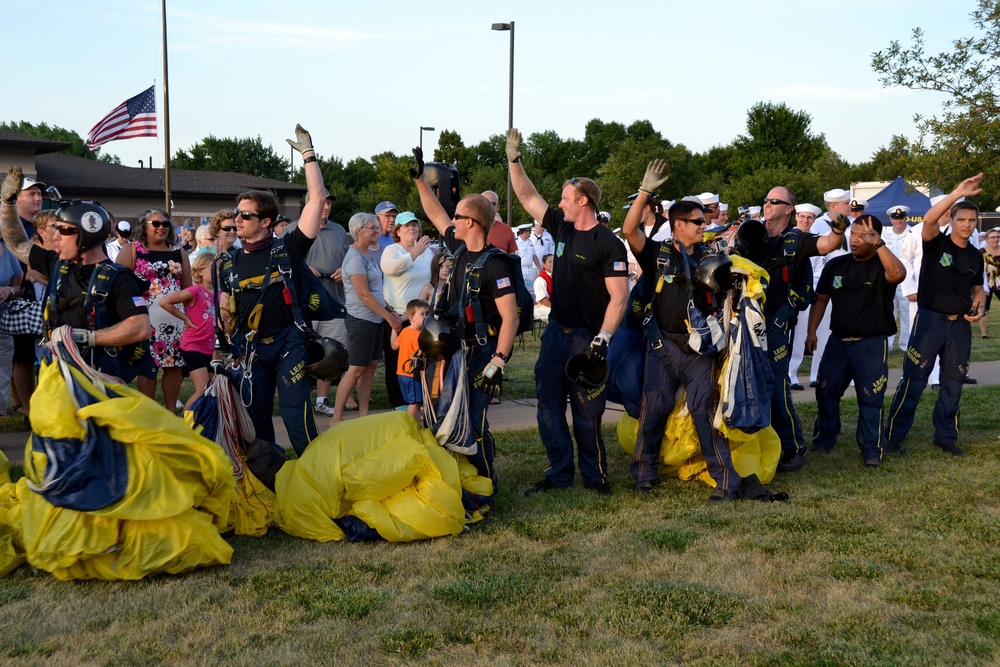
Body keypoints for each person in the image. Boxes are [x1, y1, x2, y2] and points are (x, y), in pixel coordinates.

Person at [505, 128, 629, 496]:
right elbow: (527, 195)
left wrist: (603, 339)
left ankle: (594, 478)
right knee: (548, 407)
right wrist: (514, 160)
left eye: (565, 198)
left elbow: (619, 298)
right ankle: (559, 474)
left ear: (584, 201)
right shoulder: (562, 227)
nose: (558, 204)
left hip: (587, 339)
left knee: (587, 413)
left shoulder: (608, 243)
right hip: (556, 333)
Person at [624, 161, 742, 500]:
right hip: (664, 346)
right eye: (697, 222)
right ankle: (644, 473)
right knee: (654, 410)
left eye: (704, 221)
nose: (703, 225)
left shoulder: (712, 256)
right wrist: (645, 192)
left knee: (705, 413)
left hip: (700, 350)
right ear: (677, 225)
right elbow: (630, 230)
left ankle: (725, 482)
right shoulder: (658, 255)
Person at [411, 146, 519, 491]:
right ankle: (456, 482)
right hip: (449, 351)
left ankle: (486, 483)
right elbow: (434, 211)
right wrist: (418, 180)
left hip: (481, 355)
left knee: (473, 422)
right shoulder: (458, 249)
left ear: (471, 222)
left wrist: (498, 363)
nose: (451, 220)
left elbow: (510, 318)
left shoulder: (496, 264)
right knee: (443, 417)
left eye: (457, 217)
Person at [216, 124, 328, 456]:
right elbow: (225, 307)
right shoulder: (228, 262)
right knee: (255, 420)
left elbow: (317, 200)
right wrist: (221, 344)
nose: (238, 219)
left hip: (288, 344)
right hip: (249, 348)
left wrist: (308, 156)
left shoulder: (288, 248)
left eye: (246, 215)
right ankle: (269, 482)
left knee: (296, 417)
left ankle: (316, 479)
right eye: (237, 213)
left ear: (266, 221)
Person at [0, 167, 151, 379]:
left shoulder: (119, 278)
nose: (56, 238)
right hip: (59, 373)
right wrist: (7, 205)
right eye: (55, 229)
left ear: (87, 234)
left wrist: (87, 337)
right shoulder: (57, 264)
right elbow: (16, 242)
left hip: (100, 381)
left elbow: (140, 328)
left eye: (64, 230)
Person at [743, 186, 845, 472]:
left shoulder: (796, 240)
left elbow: (828, 245)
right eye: (765, 200)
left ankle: (793, 446)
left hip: (775, 324)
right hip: (743, 323)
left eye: (775, 201)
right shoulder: (749, 232)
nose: (767, 204)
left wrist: (838, 228)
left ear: (789, 209)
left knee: (776, 385)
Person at [885, 174, 986, 457]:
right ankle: (894, 436)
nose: (967, 225)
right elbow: (929, 220)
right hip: (930, 321)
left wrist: (979, 307)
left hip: (959, 327)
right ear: (951, 220)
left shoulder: (976, 255)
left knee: (953, 382)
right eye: (962, 219)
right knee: (914, 381)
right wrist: (957, 192)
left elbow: (978, 289)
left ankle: (946, 437)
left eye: (971, 221)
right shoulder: (934, 242)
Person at [807, 215, 906, 467]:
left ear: (876, 239)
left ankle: (872, 449)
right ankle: (825, 438)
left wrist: (879, 246)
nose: (855, 239)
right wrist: (811, 332)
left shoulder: (883, 265)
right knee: (826, 391)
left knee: (871, 397)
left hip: (870, 345)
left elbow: (897, 275)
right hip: (837, 343)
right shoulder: (836, 265)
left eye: (863, 236)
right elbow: (821, 299)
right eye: (853, 233)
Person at [283, 191, 355, 415]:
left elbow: (348, 258)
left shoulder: (338, 231)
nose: (326, 207)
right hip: (302, 305)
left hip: (332, 301)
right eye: (322, 203)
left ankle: (322, 400)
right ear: (309, 204)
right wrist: (304, 270)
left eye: (329, 203)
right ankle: (299, 400)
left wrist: (345, 270)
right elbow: (282, 262)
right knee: (300, 353)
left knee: (329, 352)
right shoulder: (292, 229)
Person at [116, 208, 192, 412]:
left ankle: (170, 412)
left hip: (175, 320)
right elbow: (118, 285)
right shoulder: (132, 250)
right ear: (144, 226)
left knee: (174, 366)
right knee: (147, 366)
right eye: (156, 224)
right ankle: (146, 413)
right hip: (144, 319)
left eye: (165, 224)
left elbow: (188, 289)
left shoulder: (179, 252)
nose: (161, 228)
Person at [329, 212, 402, 423]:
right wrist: (389, 317)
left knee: (370, 367)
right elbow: (364, 295)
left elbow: (377, 291)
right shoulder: (353, 258)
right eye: (372, 227)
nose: (377, 230)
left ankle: (363, 415)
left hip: (376, 319)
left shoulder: (369, 255)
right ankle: (337, 417)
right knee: (356, 368)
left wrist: (389, 309)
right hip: (361, 320)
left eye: (377, 227)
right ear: (358, 231)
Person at [380, 210, 434, 410]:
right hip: (398, 315)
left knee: (421, 358)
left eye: (415, 225)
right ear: (398, 231)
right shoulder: (392, 250)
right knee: (398, 361)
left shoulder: (427, 251)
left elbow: (431, 278)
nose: (412, 228)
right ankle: (399, 404)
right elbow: (390, 269)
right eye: (406, 226)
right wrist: (414, 253)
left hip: (421, 318)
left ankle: (419, 400)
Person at [158, 251, 217, 410]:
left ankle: (204, 423)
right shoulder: (196, 290)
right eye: (212, 268)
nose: (217, 272)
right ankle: (185, 423)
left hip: (210, 348)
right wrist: (184, 318)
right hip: (194, 345)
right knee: (202, 389)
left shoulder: (219, 294)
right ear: (199, 271)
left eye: (219, 268)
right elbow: (165, 302)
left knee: (213, 389)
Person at [788, 203, 823, 389]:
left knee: (800, 334)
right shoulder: (786, 236)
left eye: (809, 218)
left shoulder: (816, 241)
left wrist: (809, 291)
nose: (805, 221)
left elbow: (818, 270)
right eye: (802, 217)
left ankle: (792, 374)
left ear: (814, 220)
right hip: (784, 294)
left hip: (804, 295)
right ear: (796, 217)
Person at [390, 299, 429, 421]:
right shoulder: (419, 336)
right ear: (411, 317)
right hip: (412, 374)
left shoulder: (404, 332)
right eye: (422, 314)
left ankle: (414, 422)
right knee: (415, 403)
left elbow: (394, 346)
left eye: (427, 314)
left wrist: (394, 330)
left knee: (412, 401)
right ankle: (410, 426)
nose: (425, 317)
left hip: (401, 374)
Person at [882, 206, 914, 351]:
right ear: (890, 219)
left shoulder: (913, 233)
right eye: (896, 218)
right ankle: (888, 343)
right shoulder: (884, 234)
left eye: (901, 218)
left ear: (905, 218)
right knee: (888, 311)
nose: (899, 220)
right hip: (888, 279)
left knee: (907, 312)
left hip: (907, 279)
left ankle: (906, 344)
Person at [981, 228, 1000, 339]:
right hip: (986, 284)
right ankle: (984, 334)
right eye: (993, 237)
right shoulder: (980, 251)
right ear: (987, 239)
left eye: (997, 237)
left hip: (999, 283)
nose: (995, 239)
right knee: (984, 308)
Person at [533, 254, 553, 322]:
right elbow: (542, 300)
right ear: (544, 264)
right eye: (550, 262)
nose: (553, 264)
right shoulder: (540, 279)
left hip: (553, 306)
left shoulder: (557, 277)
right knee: (555, 315)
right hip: (541, 307)